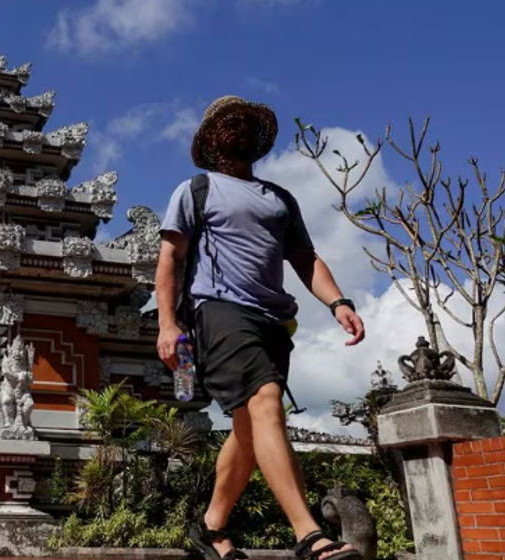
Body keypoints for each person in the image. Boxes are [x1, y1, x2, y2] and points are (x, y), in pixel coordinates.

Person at [155, 96, 366, 560]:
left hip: (273, 320)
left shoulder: (280, 199)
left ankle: (211, 526)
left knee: (249, 426)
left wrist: (339, 301)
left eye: (246, 124)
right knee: (266, 400)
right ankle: (310, 535)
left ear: (257, 140)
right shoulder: (196, 190)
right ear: (211, 140)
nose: (238, 129)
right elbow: (170, 256)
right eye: (228, 124)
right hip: (219, 310)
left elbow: (306, 258)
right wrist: (167, 324)